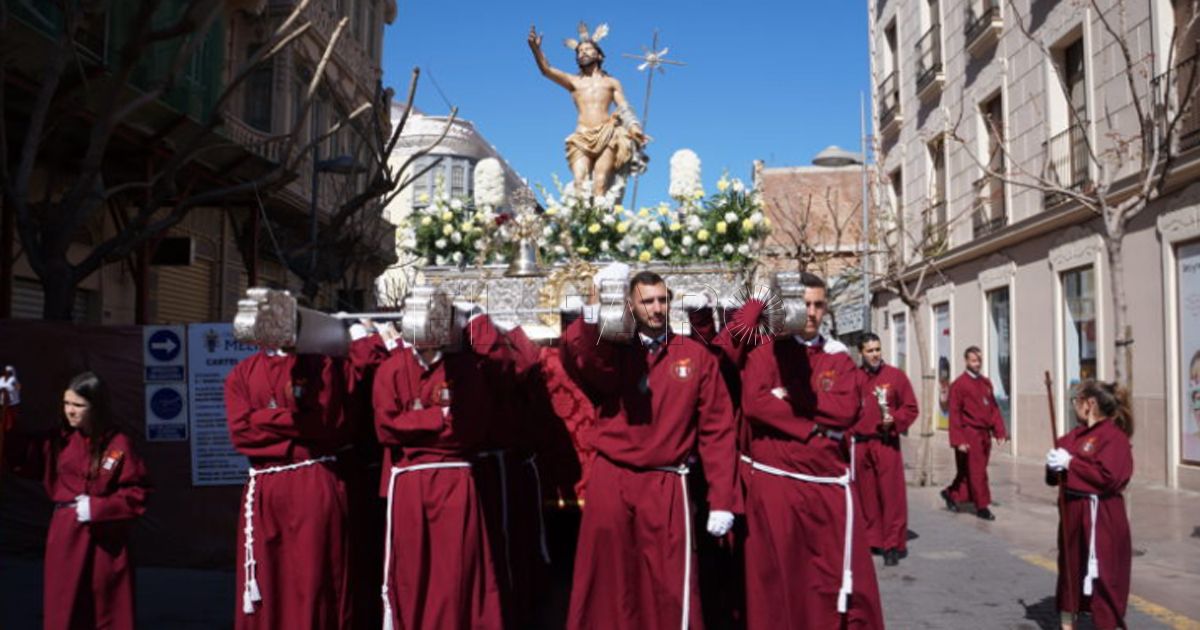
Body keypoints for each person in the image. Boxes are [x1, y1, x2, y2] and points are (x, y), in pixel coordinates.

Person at [562, 268, 738, 630]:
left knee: (668, 584)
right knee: (609, 581)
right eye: (647, 301)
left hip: (666, 484)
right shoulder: (614, 352)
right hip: (613, 479)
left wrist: (722, 499)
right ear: (630, 305)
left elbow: (717, 430)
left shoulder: (695, 356)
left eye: (662, 300)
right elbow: (578, 358)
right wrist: (593, 312)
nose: (657, 309)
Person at [740, 272, 884, 629]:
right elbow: (755, 404)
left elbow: (847, 409)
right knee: (781, 581)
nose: (812, 312)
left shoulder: (839, 358)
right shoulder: (764, 354)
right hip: (779, 488)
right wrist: (815, 425)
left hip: (826, 490)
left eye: (819, 304)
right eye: (804, 304)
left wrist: (791, 398)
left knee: (826, 581)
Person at [224, 322, 387, 629]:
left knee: (316, 576)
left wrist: (263, 418)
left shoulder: (321, 366)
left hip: (313, 480)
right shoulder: (241, 374)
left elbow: (324, 424)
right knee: (269, 576)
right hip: (266, 489)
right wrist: (295, 426)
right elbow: (241, 434)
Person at [372, 304, 512, 630]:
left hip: (455, 482)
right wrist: (438, 418)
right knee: (411, 571)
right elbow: (385, 427)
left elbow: (467, 428)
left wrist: (412, 423)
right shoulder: (392, 368)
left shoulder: (465, 370)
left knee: (457, 568)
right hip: (409, 483)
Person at [4, 371, 150, 630]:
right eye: (66, 403)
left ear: (96, 407)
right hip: (67, 536)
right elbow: (17, 454)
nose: (70, 411)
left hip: (106, 540)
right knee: (65, 606)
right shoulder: (59, 441)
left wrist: (99, 508)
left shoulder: (117, 443)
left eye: (78, 405)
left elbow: (138, 492)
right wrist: (9, 407)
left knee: (107, 607)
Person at [1045, 380, 1134, 630]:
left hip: (1102, 516)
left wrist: (1072, 465)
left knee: (1105, 575)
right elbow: (1057, 473)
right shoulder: (1072, 436)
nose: (1074, 406)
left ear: (1090, 404)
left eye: (1077, 401)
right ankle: (1067, 623)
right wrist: (1053, 466)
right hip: (1073, 513)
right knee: (1070, 571)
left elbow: (1109, 477)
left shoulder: (1114, 438)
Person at [528, 22, 647, 199]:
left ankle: (599, 226)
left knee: (600, 183)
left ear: (599, 55)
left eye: (587, 49)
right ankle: (581, 223)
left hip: (607, 134)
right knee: (579, 183)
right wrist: (535, 49)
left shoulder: (611, 82)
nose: (582, 52)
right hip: (581, 136)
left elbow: (623, 107)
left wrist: (634, 127)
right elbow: (546, 70)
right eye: (579, 51)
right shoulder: (574, 81)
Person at [855, 333, 919, 567]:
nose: (875, 354)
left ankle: (893, 544)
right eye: (870, 350)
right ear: (861, 352)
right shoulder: (854, 378)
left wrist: (895, 419)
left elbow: (911, 408)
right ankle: (874, 540)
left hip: (885, 442)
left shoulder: (895, 377)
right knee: (867, 495)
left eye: (877, 349)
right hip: (861, 444)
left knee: (891, 495)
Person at [940, 346, 1009, 520]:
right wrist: (958, 440)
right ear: (966, 361)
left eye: (979, 360)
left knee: (969, 471)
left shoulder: (985, 383)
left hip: (984, 435)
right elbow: (954, 414)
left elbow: (993, 408)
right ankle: (982, 506)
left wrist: (999, 431)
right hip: (969, 434)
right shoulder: (959, 385)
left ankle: (952, 493)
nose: (977, 364)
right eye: (973, 360)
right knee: (977, 472)